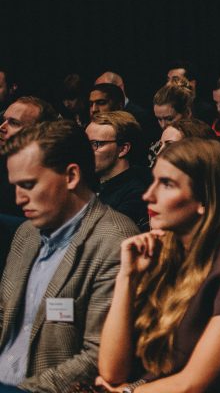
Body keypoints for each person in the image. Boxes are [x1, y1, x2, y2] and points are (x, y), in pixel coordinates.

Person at [94, 138, 220, 393]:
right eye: (154, 181)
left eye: (167, 184)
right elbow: (111, 371)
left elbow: (191, 385)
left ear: (204, 198)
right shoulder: (160, 253)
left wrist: (126, 392)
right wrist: (127, 277)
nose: (148, 195)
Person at [0, 120, 138, 392]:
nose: (19, 199)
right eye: (15, 186)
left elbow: (97, 357)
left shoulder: (115, 242)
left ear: (71, 176)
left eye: (28, 184)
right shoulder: (27, 233)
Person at [87, 111, 150, 229]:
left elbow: (105, 233)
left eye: (95, 144)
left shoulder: (135, 194)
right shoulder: (89, 183)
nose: (85, 151)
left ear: (123, 149)